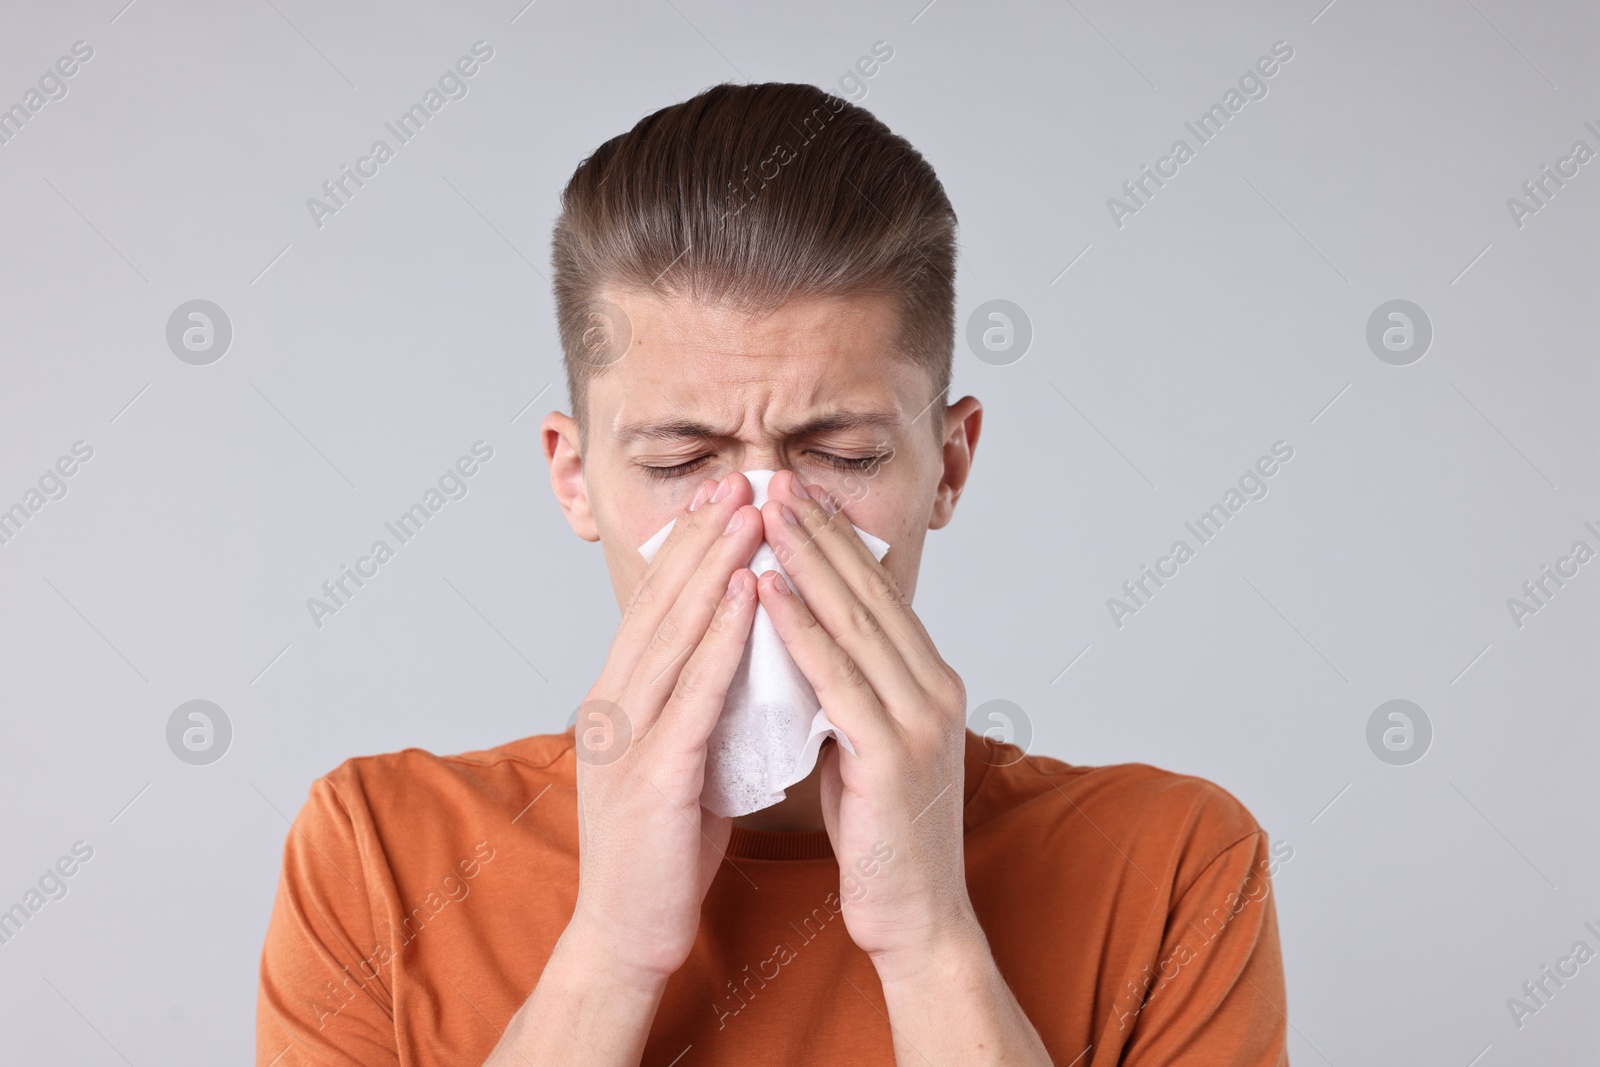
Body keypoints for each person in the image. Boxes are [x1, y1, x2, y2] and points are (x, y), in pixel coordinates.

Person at [256, 81, 1290, 1066]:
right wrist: (610, 949)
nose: (758, 523)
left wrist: (930, 939)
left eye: (841, 455)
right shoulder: (380, 855)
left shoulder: (1167, 868)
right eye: (678, 460)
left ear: (950, 465)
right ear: (576, 480)